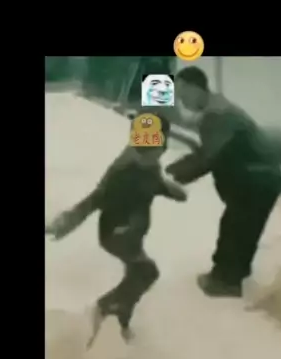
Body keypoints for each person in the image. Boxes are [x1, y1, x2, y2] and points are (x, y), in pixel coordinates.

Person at [46, 117, 187, 346]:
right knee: (147, 272)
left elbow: (156, 182)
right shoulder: (124, 172)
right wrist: (65, 222)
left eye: (159, 149)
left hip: (132, 232)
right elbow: (94, 200)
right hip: (117, 233)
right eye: (148, 150)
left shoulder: (149, 167)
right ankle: (104, 308)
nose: (155, 155)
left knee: (137, 277)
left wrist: (173, 190)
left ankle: (120, 318)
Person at [166, 66, 281, 298]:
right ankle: (233, 275)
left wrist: (171, 175)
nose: (182, 101)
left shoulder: (217, 115)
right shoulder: (216, 110)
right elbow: (211, 151)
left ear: (196, 88)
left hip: (257, 178)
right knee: (242, 228)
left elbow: (208, 157)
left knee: (236, 229)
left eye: (183, 94)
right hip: (259, 178)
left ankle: (225, 282)